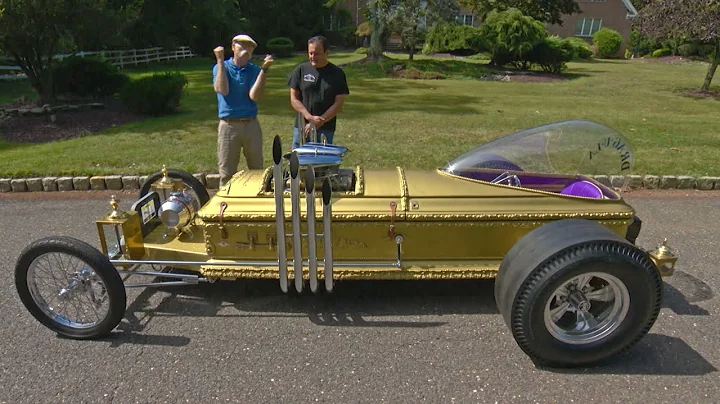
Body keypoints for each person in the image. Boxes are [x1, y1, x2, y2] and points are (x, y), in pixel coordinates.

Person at [212, 34, 274, 186]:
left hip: (251, 124)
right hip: (228, 125)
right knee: (227, 173)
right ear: (233, 47)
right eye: (243, 45)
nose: (246, 49)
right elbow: (223, 90)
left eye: (250, 47)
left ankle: (256, 200)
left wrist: (264, 70)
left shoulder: (254, 70)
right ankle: (225, 201)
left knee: (257, 171)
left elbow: (254, 96)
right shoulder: (221, 67)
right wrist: (220, 60)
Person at [288, 35, 349, 149]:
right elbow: (294, 98)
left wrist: (320, 121)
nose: (312, 57)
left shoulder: (337, 74)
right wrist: (309, 117)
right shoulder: (300, 70)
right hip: (302, 127)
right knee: (299, 158)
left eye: (316, 54)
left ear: (326, 53)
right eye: (310, 53)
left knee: (322, 158)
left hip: (325, 128)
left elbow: (338, 103)